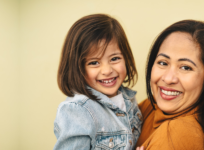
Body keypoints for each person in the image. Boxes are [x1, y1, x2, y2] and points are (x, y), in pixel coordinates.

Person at [136, 20, 204, 150]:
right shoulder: (151, 106)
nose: (168, 79)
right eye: (163, 63)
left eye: (186, 67)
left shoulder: (175, 135)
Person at [54, 14, 142, 150]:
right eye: (94, 62)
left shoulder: (129, 98)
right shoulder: (77, 111)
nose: (107, 70)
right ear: (78, 68)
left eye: (114, 58)